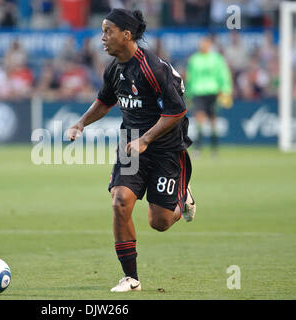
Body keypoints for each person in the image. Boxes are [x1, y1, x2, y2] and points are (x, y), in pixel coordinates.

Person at [68, 8, 196, 293]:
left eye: (107, 31)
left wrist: (147, 139)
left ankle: (183, 197)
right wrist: (81, 123)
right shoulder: (114, 69)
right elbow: (104, 101)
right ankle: (131, 278)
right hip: (131, 143)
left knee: (159, 222)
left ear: (126, 35)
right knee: (119, 202)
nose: (102, 37)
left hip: (165, 148)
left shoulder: (154, 69)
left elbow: (177, 112)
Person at [186, 36, 232, 156]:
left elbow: (223, 74)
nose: (203, 46)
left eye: (205, 43)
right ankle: (198, 147)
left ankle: (214, 148)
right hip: (198, 92)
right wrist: (188, 94)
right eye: (201, 43)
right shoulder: (194, 59)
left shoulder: (217, 59)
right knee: (199, 119)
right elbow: (190, 77)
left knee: (213, 120)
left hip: (213, 92)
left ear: (209, 44)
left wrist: (225, 90)